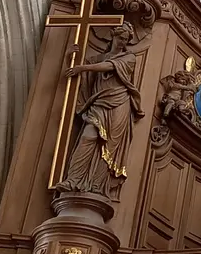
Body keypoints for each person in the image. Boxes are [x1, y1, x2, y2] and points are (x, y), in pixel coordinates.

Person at [59, 22, 143, 199]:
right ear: (113, 35)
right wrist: (71, 58)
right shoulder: (97, 59)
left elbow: (109, 66)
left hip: (120, 103)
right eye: (120, 37)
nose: (122, 42)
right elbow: (80, 79)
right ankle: (73, 180)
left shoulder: (129, 58)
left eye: (126, 39)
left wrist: (82, 68)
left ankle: (96, 186)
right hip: (99, 102)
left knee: (108, 147)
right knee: (88, 136)